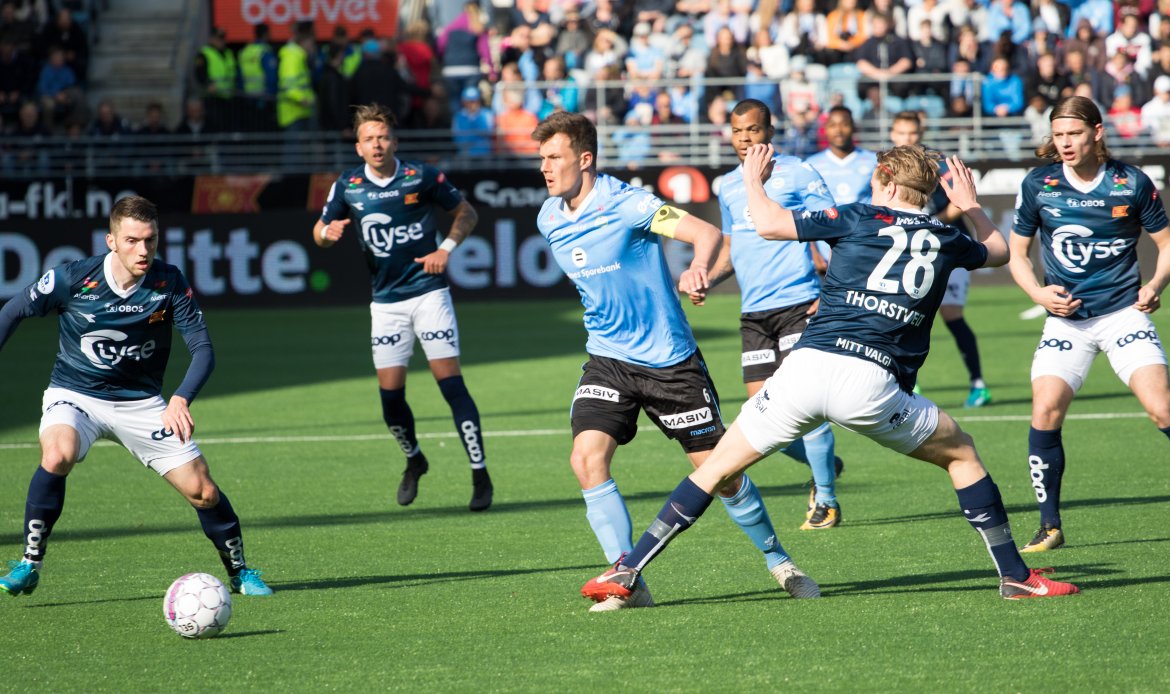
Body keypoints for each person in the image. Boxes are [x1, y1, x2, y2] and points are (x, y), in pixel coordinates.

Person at [581, 143, 1081, 605]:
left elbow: (771, 224)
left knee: (714, 470)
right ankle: (1015, 576)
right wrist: (969, 205)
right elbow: (997, 251)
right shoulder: (946, 235)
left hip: (805, 369)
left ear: (884, 181)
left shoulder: (859, 216)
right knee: (963, 453)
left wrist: (753, 180)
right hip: (872, 385)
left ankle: (627, 570)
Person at [533, 112, 819, 612]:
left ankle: (779, 559)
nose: (545, 167)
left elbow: (707, 233)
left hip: (670, 361)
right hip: (607, 359)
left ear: (585, 158)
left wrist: (698, 268)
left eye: (553, 157)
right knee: (586, 459)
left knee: (722, 475)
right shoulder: (548, 217)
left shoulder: (630, 204)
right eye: (541, 158)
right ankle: (627, 576)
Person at [0, 196, 273, 598]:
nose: (143, 250)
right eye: (132, 240)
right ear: (111, 240)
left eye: (151, 240)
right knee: (57, 454)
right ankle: (29, 563)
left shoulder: (170, 281)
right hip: (76, 394)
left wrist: (180, 397)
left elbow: (203, 349)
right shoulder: (72, 278)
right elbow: (12, 312)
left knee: (204, 491)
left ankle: (241, 572)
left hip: (142, 404)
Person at [1007, 96, 1170, 552]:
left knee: (1161, 408)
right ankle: (1049, 526)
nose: (1065, 144)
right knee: (1045, 409)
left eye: (1073, 134)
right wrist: (1037, 293)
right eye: (1058, 135)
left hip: (1122, 315)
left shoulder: (1131, 182)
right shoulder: (1039, 184)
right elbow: (1017, 255)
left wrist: (1156, 283)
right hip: (1066, 323)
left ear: (1097, 133)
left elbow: (1166, 242)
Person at [313, 104, 493, 512]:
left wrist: (444, 249)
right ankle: (414, 459)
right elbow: (319, 234)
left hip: (429, 293)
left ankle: (480, 474)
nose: (377, 144)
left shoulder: (420, 176)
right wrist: (328, 232)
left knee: (451, 385)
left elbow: (467, 211)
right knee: (390, 399)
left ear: (394, 141)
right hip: (386, 303)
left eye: (383, 137)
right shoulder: (347, 185)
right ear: (358, 147)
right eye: (369, 139)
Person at [694, 99, 846, 529]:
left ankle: (827, 501)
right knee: (761, 412)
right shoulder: (727, 184)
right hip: (754, 314)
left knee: (805, 402)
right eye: (739, 131)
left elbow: (837, 231)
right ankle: (825, 465)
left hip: (799, 303)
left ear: (770, 131)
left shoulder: (798, 172)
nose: (746, 138)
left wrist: (832, 289)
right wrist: (706, 275)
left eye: (754, 130)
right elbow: (732, 245)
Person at [889, 111, 991, 407]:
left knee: (952, 316)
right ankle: (908, 382)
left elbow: (962, 201)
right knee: (903, 316)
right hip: (908, 253)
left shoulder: (938, 163)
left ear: (920, 134)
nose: (907, 139)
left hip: (948, 249)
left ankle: (978, 384)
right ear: (893, 134)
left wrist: (929, 220)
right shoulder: (888, 166)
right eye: (901, 133)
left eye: (912, 133)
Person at [806, 106, 877, 265]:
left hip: (865, 250)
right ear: (825, 129)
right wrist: (813, 252)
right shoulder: (812, 165)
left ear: (853, 127)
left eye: (844, 124)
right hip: (826, 257)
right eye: (832, 125)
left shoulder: (873, 161)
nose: (838, 130)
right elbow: (805, 210)